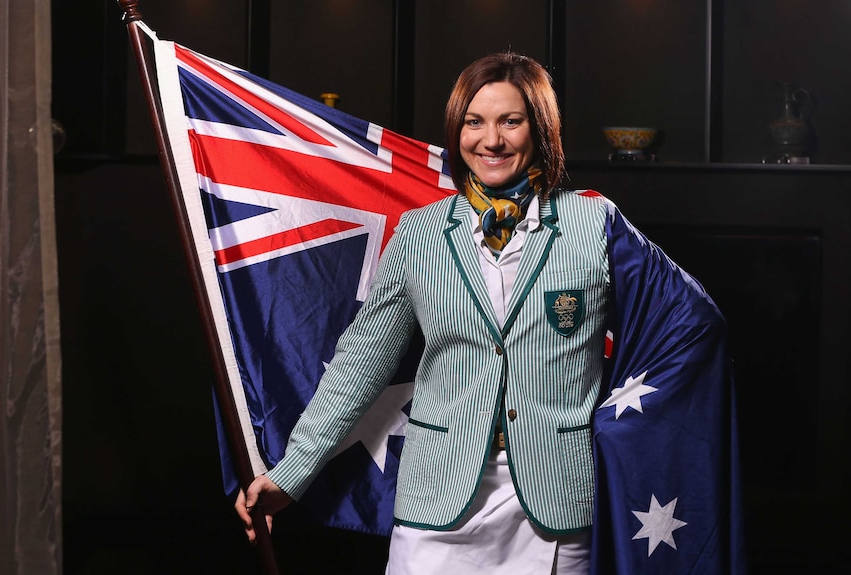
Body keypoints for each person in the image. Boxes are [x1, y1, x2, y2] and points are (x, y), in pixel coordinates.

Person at [235, 52, 741, 574]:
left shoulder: (595, 225)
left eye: (511, 121)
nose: (490, 140)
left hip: (557, 505)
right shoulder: (418, 235)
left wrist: (618, 427)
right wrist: (290, 475)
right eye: (474, 122)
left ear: (540, 129)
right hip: (437, 505)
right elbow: (360, 365)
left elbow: (694, 325)